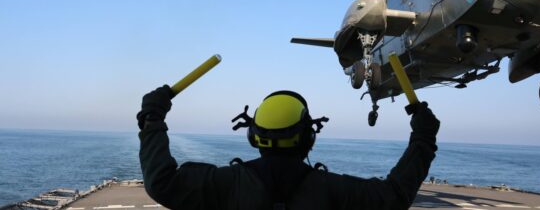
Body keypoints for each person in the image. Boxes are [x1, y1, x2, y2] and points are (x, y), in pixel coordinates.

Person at [137, 86, 440, 210]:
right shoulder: (333, 190)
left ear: (253, 137)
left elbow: (161, 182)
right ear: (309, 137)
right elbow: (396, 195)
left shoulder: (226, 184)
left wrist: (153, 119)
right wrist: (424, 137)